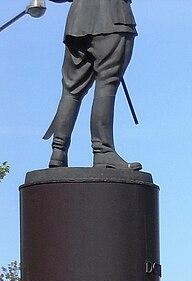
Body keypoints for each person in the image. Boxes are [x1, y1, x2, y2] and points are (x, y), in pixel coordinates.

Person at [42, 0, 139, 169]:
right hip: (113, 19)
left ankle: (58, 151)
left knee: (71, 90)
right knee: (106, 83)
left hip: (78, 22)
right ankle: (103, 151)